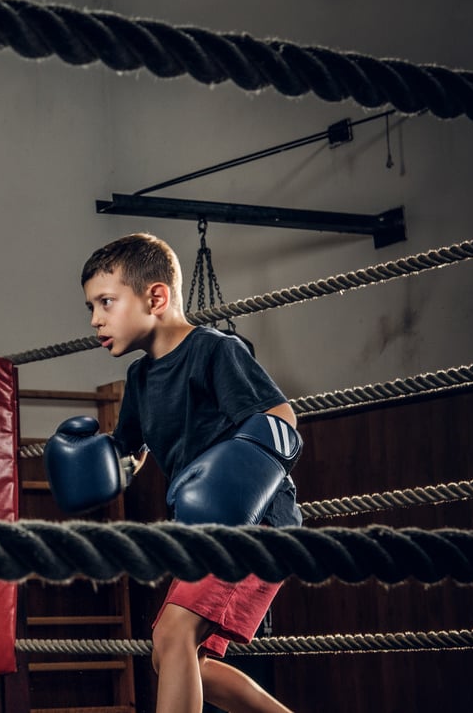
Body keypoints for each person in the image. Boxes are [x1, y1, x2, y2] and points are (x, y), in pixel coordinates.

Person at [79, 232, 299, 713]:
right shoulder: (139, 378)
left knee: (174, 634)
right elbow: (131, 451)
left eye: (106, 302)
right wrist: (97, 464)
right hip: (202, 529)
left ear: (155, 297)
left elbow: (281, 419)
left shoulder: (214, 351)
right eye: (91, 307)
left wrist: (231, 480)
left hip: (253, 524)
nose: (95, 319)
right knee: (175, 655)